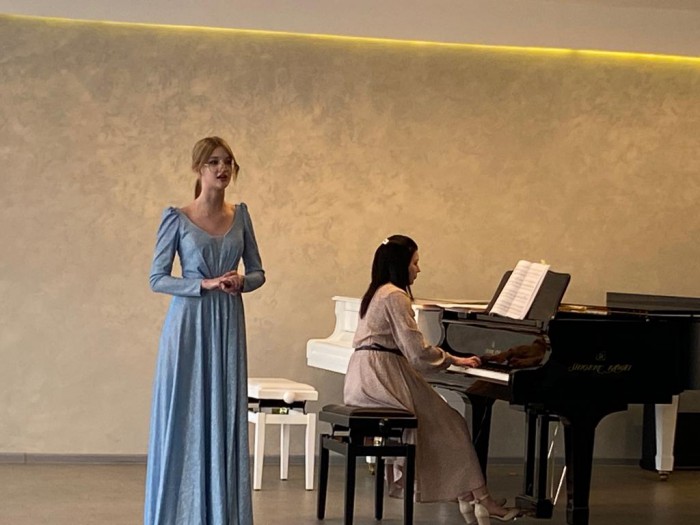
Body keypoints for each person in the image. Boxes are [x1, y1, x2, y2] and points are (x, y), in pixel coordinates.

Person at [343, 235, 519, 525]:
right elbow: (417, 352)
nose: (418, 269)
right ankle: (481, 500)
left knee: (445, 423)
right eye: (415, 262)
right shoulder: (395, 296)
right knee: (452, 423)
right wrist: (454, 359)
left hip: (364, 378)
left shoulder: (375, 293)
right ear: (401, 264)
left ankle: (470, 496)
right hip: (382, 378)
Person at [144, 136, 265, 525]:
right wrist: (203, 284)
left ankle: (220, 513)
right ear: (199, 168)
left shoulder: (241, 216)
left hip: (227, 323)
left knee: (223, 410)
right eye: (213, 162)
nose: (222, 168)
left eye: (227, 161)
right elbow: (157, 278)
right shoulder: (177, 218)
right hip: (189, 326)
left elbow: (258, 272)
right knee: (186, 411)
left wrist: (242, 281)